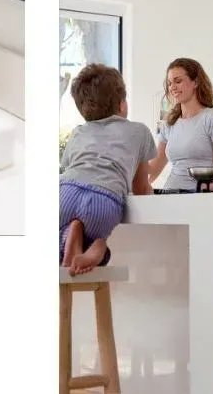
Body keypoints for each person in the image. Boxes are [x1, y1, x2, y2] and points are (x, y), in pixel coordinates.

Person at [60, 64, 155, 275]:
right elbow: (140, 188)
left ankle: (72, 236)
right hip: (104, 198)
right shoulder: (139, 131)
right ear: (121, 105)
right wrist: (149, 190)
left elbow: (70, 166)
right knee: (93, 235)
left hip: (65, 191)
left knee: (53, 242)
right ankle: (99, 246)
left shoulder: (78, 132)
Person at [149, 58, 213, 191]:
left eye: (178, 81)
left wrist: (202, 190)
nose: (172, 87)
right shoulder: (169, 124)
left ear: (196, 82)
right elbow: (153, 168)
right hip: (170, 194)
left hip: (200, 197)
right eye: (169, 83)